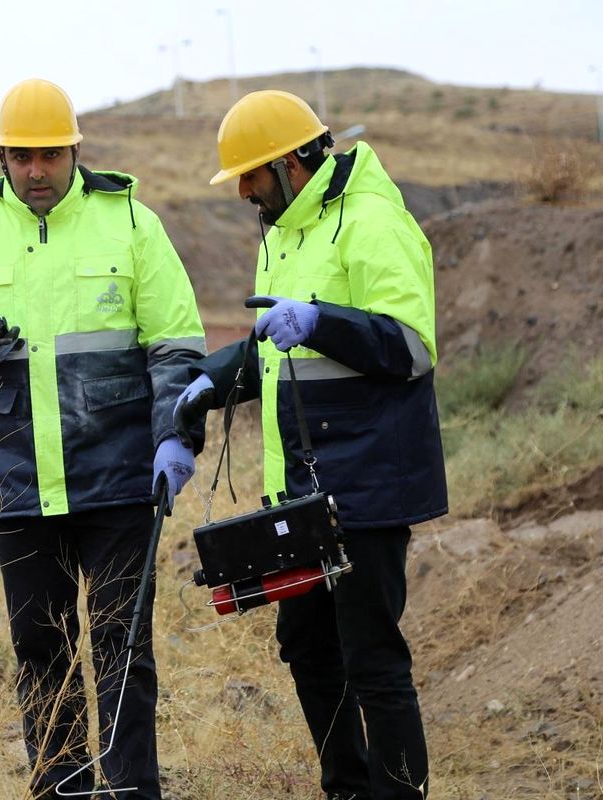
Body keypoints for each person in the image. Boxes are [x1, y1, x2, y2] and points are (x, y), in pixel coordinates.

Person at [0, 78, 205, 799]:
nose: (36, 170)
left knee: (122, 647)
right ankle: (62, 789)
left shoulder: (132, 225)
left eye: (49, 155)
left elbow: (176, 345)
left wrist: (173, 436)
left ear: (74, 151)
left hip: (121, 479)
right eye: (21, 157)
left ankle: (132, 790)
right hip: (19, 482)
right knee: (41, 651)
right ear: (2, 157)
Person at [176, 90, 447, 800]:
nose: (242, 192)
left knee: (372, 658)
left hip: (368, 484)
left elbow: (411, 350)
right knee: (307, 646)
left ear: (294, 162)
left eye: (250, 175)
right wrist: (210, 381)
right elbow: (276, 349)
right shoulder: (283, 234)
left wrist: (321, 321)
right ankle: (348, 788)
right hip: (304, 489)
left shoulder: (373, 223)